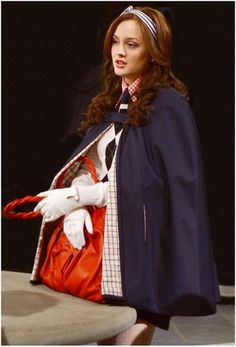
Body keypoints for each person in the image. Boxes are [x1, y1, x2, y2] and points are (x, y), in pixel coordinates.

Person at [31, 6, 221, 345]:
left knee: (129, 335)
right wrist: (77, 197)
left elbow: (164, 187)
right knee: (105, 334)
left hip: (140, 251)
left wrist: (83, 197)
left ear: (154, 50)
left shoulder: (169, 106)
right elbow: (94, 162)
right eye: (116, 42)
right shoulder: (110, 101)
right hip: (102, 251)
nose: (120, 52)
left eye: (132, 44)